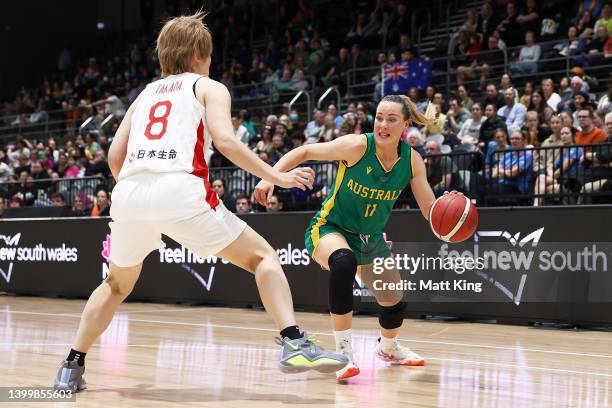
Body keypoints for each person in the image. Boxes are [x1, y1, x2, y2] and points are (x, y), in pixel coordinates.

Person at [54, 11, 348, 393]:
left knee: (115, 284)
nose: (211, 62)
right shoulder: (208, 87)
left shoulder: (143, 94)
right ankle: (293, 341)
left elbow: (114, 156)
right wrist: (276, 176)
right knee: (263, 258)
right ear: (197, 54)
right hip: (180, 188)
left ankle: (70, 367)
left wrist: (137, 190)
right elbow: (225, 142)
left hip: (129, 192)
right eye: (209, 55)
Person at [254, 96, 454, 381]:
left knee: (394, 301)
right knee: (343, 262)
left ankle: (388, 348)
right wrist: (269, 177)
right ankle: (344, 353)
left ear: (406, 125)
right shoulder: (358, 145)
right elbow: (305, 151)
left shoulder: (412, 161)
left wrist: (450, 214)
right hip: (330, 227)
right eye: (379, 118)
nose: (383, 125)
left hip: (370, 238)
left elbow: (430, 211)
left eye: (391, 119)